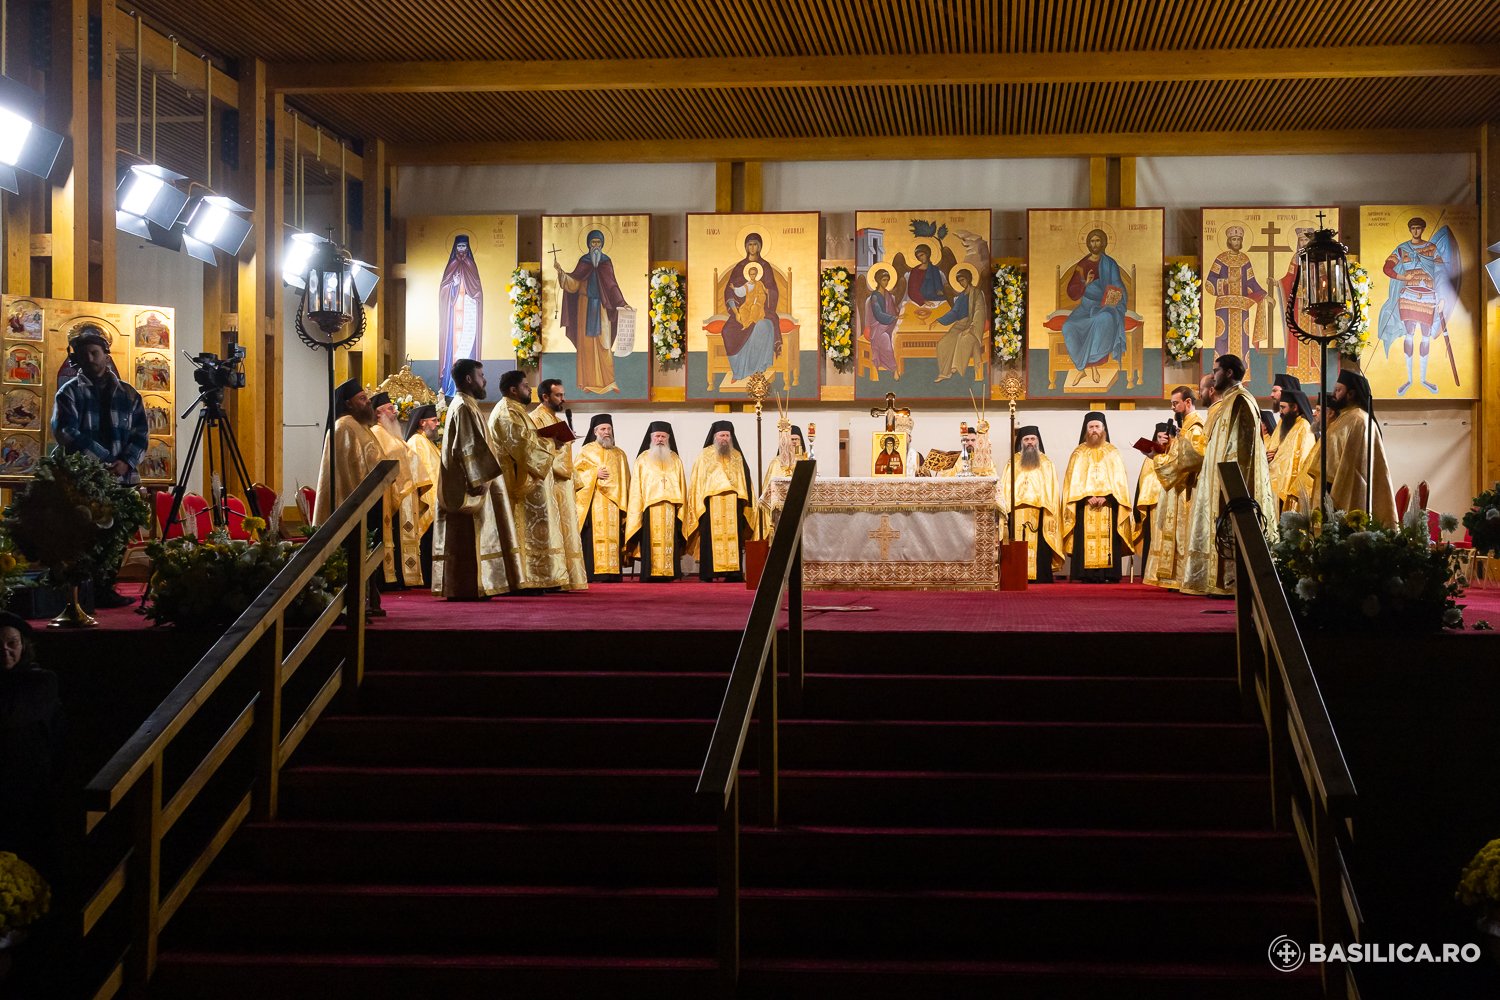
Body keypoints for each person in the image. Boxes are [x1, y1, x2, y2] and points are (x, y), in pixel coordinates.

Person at [51, 327, 149, 608]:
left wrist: (126, 462)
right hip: (84, 478)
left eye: (96, 353)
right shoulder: (68, 393)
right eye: (85, 355)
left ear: (106, 355)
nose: (91, 359)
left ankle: (106, 588)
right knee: (85, 534)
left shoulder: (129, 394)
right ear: (77, 360)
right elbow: (65, 431)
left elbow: (142, 433)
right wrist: (102, 459)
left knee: (116, 533)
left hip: (122, 477)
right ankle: (82, 593)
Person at [1181, 354, 1277, 597]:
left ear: (1230, 373)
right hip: (1217, 480)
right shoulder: (1226, 402)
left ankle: (1231, 582)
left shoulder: (1241, 401)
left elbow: (1241, 452)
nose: (1213, 376)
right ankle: (1218, 581)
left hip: (1231, 483)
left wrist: (1231, 488)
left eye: (1216, 371)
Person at [432, 360, 518, 599]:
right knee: (469, 536)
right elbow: (467, 445)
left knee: (470, 536)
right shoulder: (463, 406)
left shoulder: (465, 404)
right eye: (481, 375)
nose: (485, 380)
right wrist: (477, 477)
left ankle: (471, 585)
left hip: (472, 480)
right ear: (469, 379)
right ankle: (468, 587)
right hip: (469, 484)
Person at [487, 370, 569, 592]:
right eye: (525, 385)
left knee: (536, 530)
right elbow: (522, 446)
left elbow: (528, 441)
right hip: (517, 483)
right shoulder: (506, 412)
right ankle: (526, 578)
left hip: (526, 479)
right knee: (524, 531)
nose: (529, 389)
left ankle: (540, 577)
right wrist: (552, 443)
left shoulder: (517, 411)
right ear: (513, 389)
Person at [314, 378, 390, 615]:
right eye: (362, 399)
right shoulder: (344, 427)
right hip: (354, 498)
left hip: (368, 496)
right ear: (348, 403)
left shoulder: (360, 425)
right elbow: (350, 470)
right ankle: (358, 600)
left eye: (366, 398)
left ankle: (370, 597)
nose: (368, 402)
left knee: (370, 549)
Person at [0, 613, 65, 874]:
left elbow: (9, 716)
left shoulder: (40, 681)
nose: (4, 651)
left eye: (11, 643)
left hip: (27, 785)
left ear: (23, 646)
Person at [1378, 216, 1458, 396]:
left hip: (1429, 296)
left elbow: (1440, 272)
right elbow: (1387, 268)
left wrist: (1443, 297)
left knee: (1426, 337)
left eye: (1419, 228)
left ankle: (1423, 379)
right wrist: (1402, 278)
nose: (1416, 231)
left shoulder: (1431, 248)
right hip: (1409, 296)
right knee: (1409, 335)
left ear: (1422, 229)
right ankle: (1409, 379)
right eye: (1413, 228)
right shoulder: (1402, 249)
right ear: (1409, 229)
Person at [1307, 370, 1398, 525]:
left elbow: (1348, 468)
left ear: (1351, 394)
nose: (1334, 394)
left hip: (1348, 494)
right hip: (1334, 488)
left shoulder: (1357, 420)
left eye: (1338, 390)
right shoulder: (1347, 417)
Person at [1145, 386, 1207, 590]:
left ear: (1188, 403)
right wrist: (1166, 448)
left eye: (1175, 403)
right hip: (1177, 488)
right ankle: (1172, 576)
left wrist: (1158, 459)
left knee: (1182, 534)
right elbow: (1179, 455)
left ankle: (1182, 576)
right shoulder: (1186, 428)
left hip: (1186, 491)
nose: (1173, 408)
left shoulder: (1196, 427)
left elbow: (1193, 460)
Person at [1060, 412, 1134, 582]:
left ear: (1103, 429)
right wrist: (1086, 497)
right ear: (1086, 430)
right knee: (1085, 540)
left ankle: (1109, 574)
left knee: (1108, 538)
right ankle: (1085, 574)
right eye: (1091, 427)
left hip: (1109, 506)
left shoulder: (1112, 452)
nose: (1094, 430)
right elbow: (1071, 483)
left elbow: (1119, 482)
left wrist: (1107, 497)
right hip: (1084, 506)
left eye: (1097, 427)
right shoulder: (1078, 452)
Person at [529, 378, 587, 591]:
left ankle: (565, 578)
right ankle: (551, 577)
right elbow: (534, 450)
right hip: (548, 483)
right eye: (558, 395)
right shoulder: (535, 418)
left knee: (565, 530)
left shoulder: (553, 417)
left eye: (563, 394)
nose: (563, 399)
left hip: (562, 483)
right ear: (545, 396)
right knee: (551, 531)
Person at [555, 229, 626, 395]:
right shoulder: (584, 261)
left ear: (602, 244)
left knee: (604, 343)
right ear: (588, 244)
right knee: (586, 345)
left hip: (601, 306)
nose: (595, 246)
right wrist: (561, 273)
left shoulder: (606, 262)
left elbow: (612, 285)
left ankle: (609, 382)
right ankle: (586, 382)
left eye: (598, 243)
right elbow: (575, 284)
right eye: (593, 242)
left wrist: (622, 303)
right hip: (584, 306)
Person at [367, 392, 425, 588]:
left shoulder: (393, 433)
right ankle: (388, 578)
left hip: (403, 491)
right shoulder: (376, 432)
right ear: (378, 413)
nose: (395, 412)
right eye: (390, 409)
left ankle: (400, 577)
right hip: (388, 492)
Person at [686, 420, 756, 582]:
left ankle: (733, 574)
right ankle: (708, 573)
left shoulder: (737, 455)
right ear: (714, 437)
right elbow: (698, 481)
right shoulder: (705, 455)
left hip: (733, 503)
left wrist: (745, 502)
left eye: (727, 435)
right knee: (710, 539)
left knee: (735, 539)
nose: (724, 438)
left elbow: (745, 480)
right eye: (721, 435)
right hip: (711, 503)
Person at [1061, 229, 1128, 387]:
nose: (1095, 244)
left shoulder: (1110, 263)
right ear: (1087, 243)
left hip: (1106, 307)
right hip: (1086, 306)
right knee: (1068, 326)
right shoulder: (1082, 265)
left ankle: (1093, 368)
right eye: (1092, 241)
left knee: (1101, 320)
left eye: (1098, 241)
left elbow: (1118, 286)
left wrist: (1111, 300)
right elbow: (1072, 291)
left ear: (1104, 243)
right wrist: (1086, 284)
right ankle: (1081, 368)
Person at [999, 426, 1063, 582]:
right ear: (1021, 442)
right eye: (1026, 439)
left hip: (1039, 512)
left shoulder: (1046, 463)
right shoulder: (1012, 463)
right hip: (1016, 512)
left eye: (1032, 439)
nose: (1029, 442)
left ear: (1038, 441)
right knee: (1015, 543)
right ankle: (1016, 576)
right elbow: (1005, 487)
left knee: (1040, 545)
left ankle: (1040, 576)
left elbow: (1051, 489)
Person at [626, 421, 688, 581]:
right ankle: (649, 573)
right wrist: (636, 508)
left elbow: (681, 484)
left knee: (670, 539)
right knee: (649, 541)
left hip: (670, 507)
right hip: (649, 507)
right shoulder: (642, 459)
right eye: (657, 436)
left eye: (663, 436)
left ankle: (670, 573)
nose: (660, 439)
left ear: (668, 438)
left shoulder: (675, 459)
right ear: (651, 438)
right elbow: (636, 486)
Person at [575, 414, 631, 582]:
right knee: (593, 536)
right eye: (603, 429)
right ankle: (593, 574)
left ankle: (612, 574)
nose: (606, 432)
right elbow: (576, 475)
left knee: (614, 537)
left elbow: (626, 479)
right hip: (594, 502)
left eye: (609, 429)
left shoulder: (619, 453)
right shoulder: (586, 450)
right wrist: (594, 473)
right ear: (595, 431)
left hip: (614, 504)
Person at [721, 234, 782, 382]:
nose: (752, 248)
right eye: (749, 244)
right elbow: (731, 291)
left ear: (760, 246)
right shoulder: (740, 267)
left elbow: (773, 290)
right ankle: (737, 371)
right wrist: (735, 312)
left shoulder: (765, 267)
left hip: (762, 310)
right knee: (727, 330)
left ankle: (757, 369)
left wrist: (766, 293)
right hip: (742, 309)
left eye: (755, 244)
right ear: (745, 247)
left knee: (762, 326)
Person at [1205, 225, 1267, 359]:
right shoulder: (1221, 259)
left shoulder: (1245, 260)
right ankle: (1220, 371)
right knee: (1222, 337)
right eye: (1234, 239)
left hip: (1241, 307)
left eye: (1239, 239)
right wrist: (1227, 280)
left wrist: (1264, 295)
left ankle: (1242, 373)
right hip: (1224, 307)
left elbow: (1251, 283)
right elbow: (1209, 283)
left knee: (1242, 340)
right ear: (1229, 241)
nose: (1236, 242)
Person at [438, 235, 482, 396]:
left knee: (467, 350)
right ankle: (450, 386)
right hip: (454, 314)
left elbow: (477, 291)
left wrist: (470, 293)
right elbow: (443, 290)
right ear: (455, 248)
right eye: (459, 247)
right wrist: (453, 286)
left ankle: (468, 386)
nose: (462, 250)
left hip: (469, 314)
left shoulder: (471, 265)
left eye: (464, 247)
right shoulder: (452, 265)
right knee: (453, 348)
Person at [404, 403, 441, 582]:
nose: (437, 424)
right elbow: (428, 473)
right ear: (422, 423)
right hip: (427, 500)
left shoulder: (427, 442)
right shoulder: (417, 442)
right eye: (434, 421)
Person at [1268, 385, 1316, 514]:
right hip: (1274, 486)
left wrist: (1295, 492)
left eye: (1283, 407)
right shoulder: (1285, 425)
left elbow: (1304, 461)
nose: (1281, 412)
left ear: (1295, 407)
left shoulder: (1304, 427)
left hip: (1289, 489)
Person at [934, 265, 985, 383]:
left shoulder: (977, 293)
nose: (961, 283)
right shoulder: (961, 296)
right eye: (959, 281)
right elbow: (954, 312)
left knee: (963, 338)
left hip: (973, 324)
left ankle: (955, 366)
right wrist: (939, 320)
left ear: (968, 278)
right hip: (960, 324)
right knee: (943, 343)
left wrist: (972, 328)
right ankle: (944, 373)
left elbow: (979, 312)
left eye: (963, 280)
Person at [1134, 421, 1173, 573]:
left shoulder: (1173, 456)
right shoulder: (1150, 459)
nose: (1162, 440)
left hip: (1172, 505)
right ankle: (1150, 572)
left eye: (1165, 437)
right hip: (1154, 506)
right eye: (1159, 437)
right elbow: (1144, 482)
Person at [862, 265, 899, 373]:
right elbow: (878, 315)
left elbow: (892, 309)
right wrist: (894, 317)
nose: (886, 282)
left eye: (887, 280)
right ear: (878, 280)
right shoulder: (875, 297)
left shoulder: (887, 294)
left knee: (897, 334)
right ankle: (894, 368)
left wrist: (896, 313)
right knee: (885, 338)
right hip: (876, 327)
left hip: (888, 323)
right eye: (884, 280)